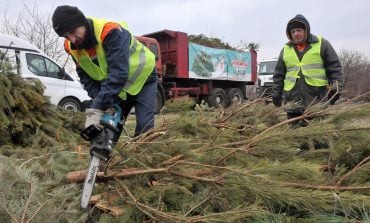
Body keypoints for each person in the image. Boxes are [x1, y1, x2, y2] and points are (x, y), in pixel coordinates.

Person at [52, 5, 157, 139]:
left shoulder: (110, 31)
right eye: (66, 36)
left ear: (82, 22)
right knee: (108, 131)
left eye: (73, 31)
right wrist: (100, 99)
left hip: (143, 79)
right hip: (117, 87)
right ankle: (102, 155)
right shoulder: (71, 47)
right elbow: (85, 77)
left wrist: (98, 107)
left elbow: (119, 73)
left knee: (144, 129)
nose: (72, 39)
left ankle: (144, 153)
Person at [271, 14, 344, 152]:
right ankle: (304, 166)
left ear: (306, 30)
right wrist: (276, 93)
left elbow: (335, 68)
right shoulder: (286, 49)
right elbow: (279, 74)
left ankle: (322, 160)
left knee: (319, 136)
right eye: (293, 32)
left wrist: (336, 89)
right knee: (298, 137)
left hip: (316, 99)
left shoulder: (322, 44)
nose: (296, 34)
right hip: (293, 101)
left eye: (299, 30)